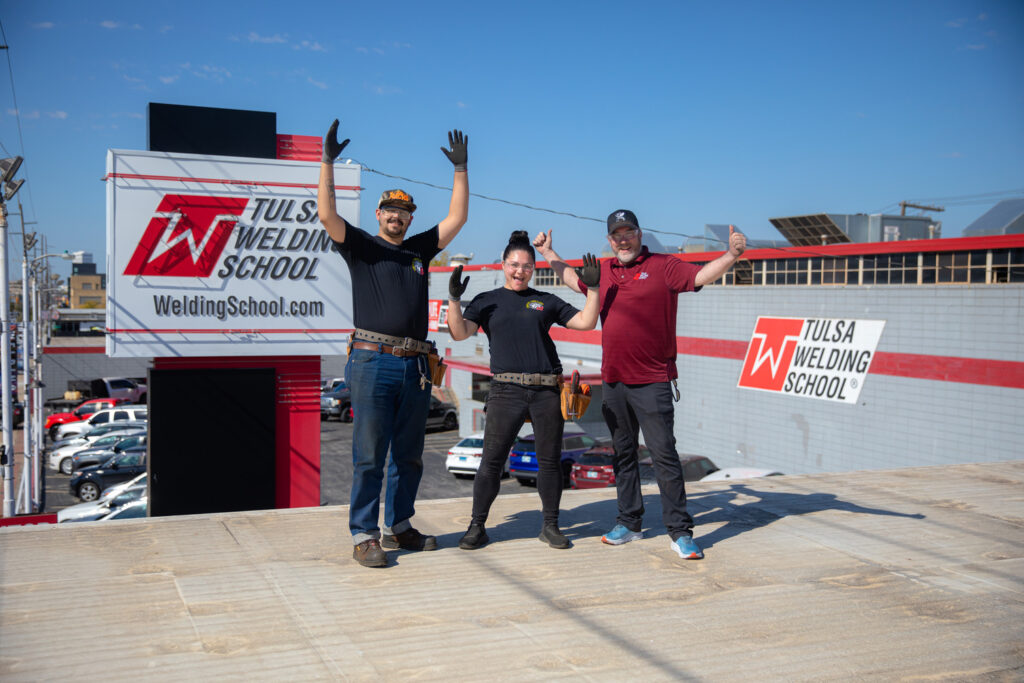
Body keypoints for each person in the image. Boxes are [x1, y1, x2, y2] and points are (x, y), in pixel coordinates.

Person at [534, 210, 746, 560]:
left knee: (664, 456)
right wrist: (549, 254)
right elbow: (573, 279)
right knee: (623, 455)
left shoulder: (665, 265)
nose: (622, 239)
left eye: (627, 232)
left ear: (639, 233)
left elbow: (700, 276)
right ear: (609, 239)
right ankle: (629, 523)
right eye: (615, 234)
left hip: (653, 381)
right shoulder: (603, 270)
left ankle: (680, 532)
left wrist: (731, 255)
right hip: (614, 381)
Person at [318, 120, 469, 568]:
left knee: (409, 455)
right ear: (379, 214)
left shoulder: (419, 251)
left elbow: (458, 218)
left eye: (404, 212)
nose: (396, 217)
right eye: (389, 210)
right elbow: (327, 215)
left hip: (417, 368)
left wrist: (461, 170)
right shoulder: (362, 246)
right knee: (369, 455)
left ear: (410, 218)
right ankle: (364, 534)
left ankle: (398, 526)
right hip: (371, 363)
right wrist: (326, 162)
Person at [446, 231, 600, 550]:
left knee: (549, 462)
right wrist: (454, 299)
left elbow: (586, 322)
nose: (520, 271)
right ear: (503, 265)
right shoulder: (486, 301)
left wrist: (594, 289)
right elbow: (459, 333)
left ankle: (550, 526)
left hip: (546, 391)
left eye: (527, 266)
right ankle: (477, 527)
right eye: (514, 264)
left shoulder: (546, 301)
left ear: (534, 269)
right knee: (491, 461)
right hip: (505, 390)